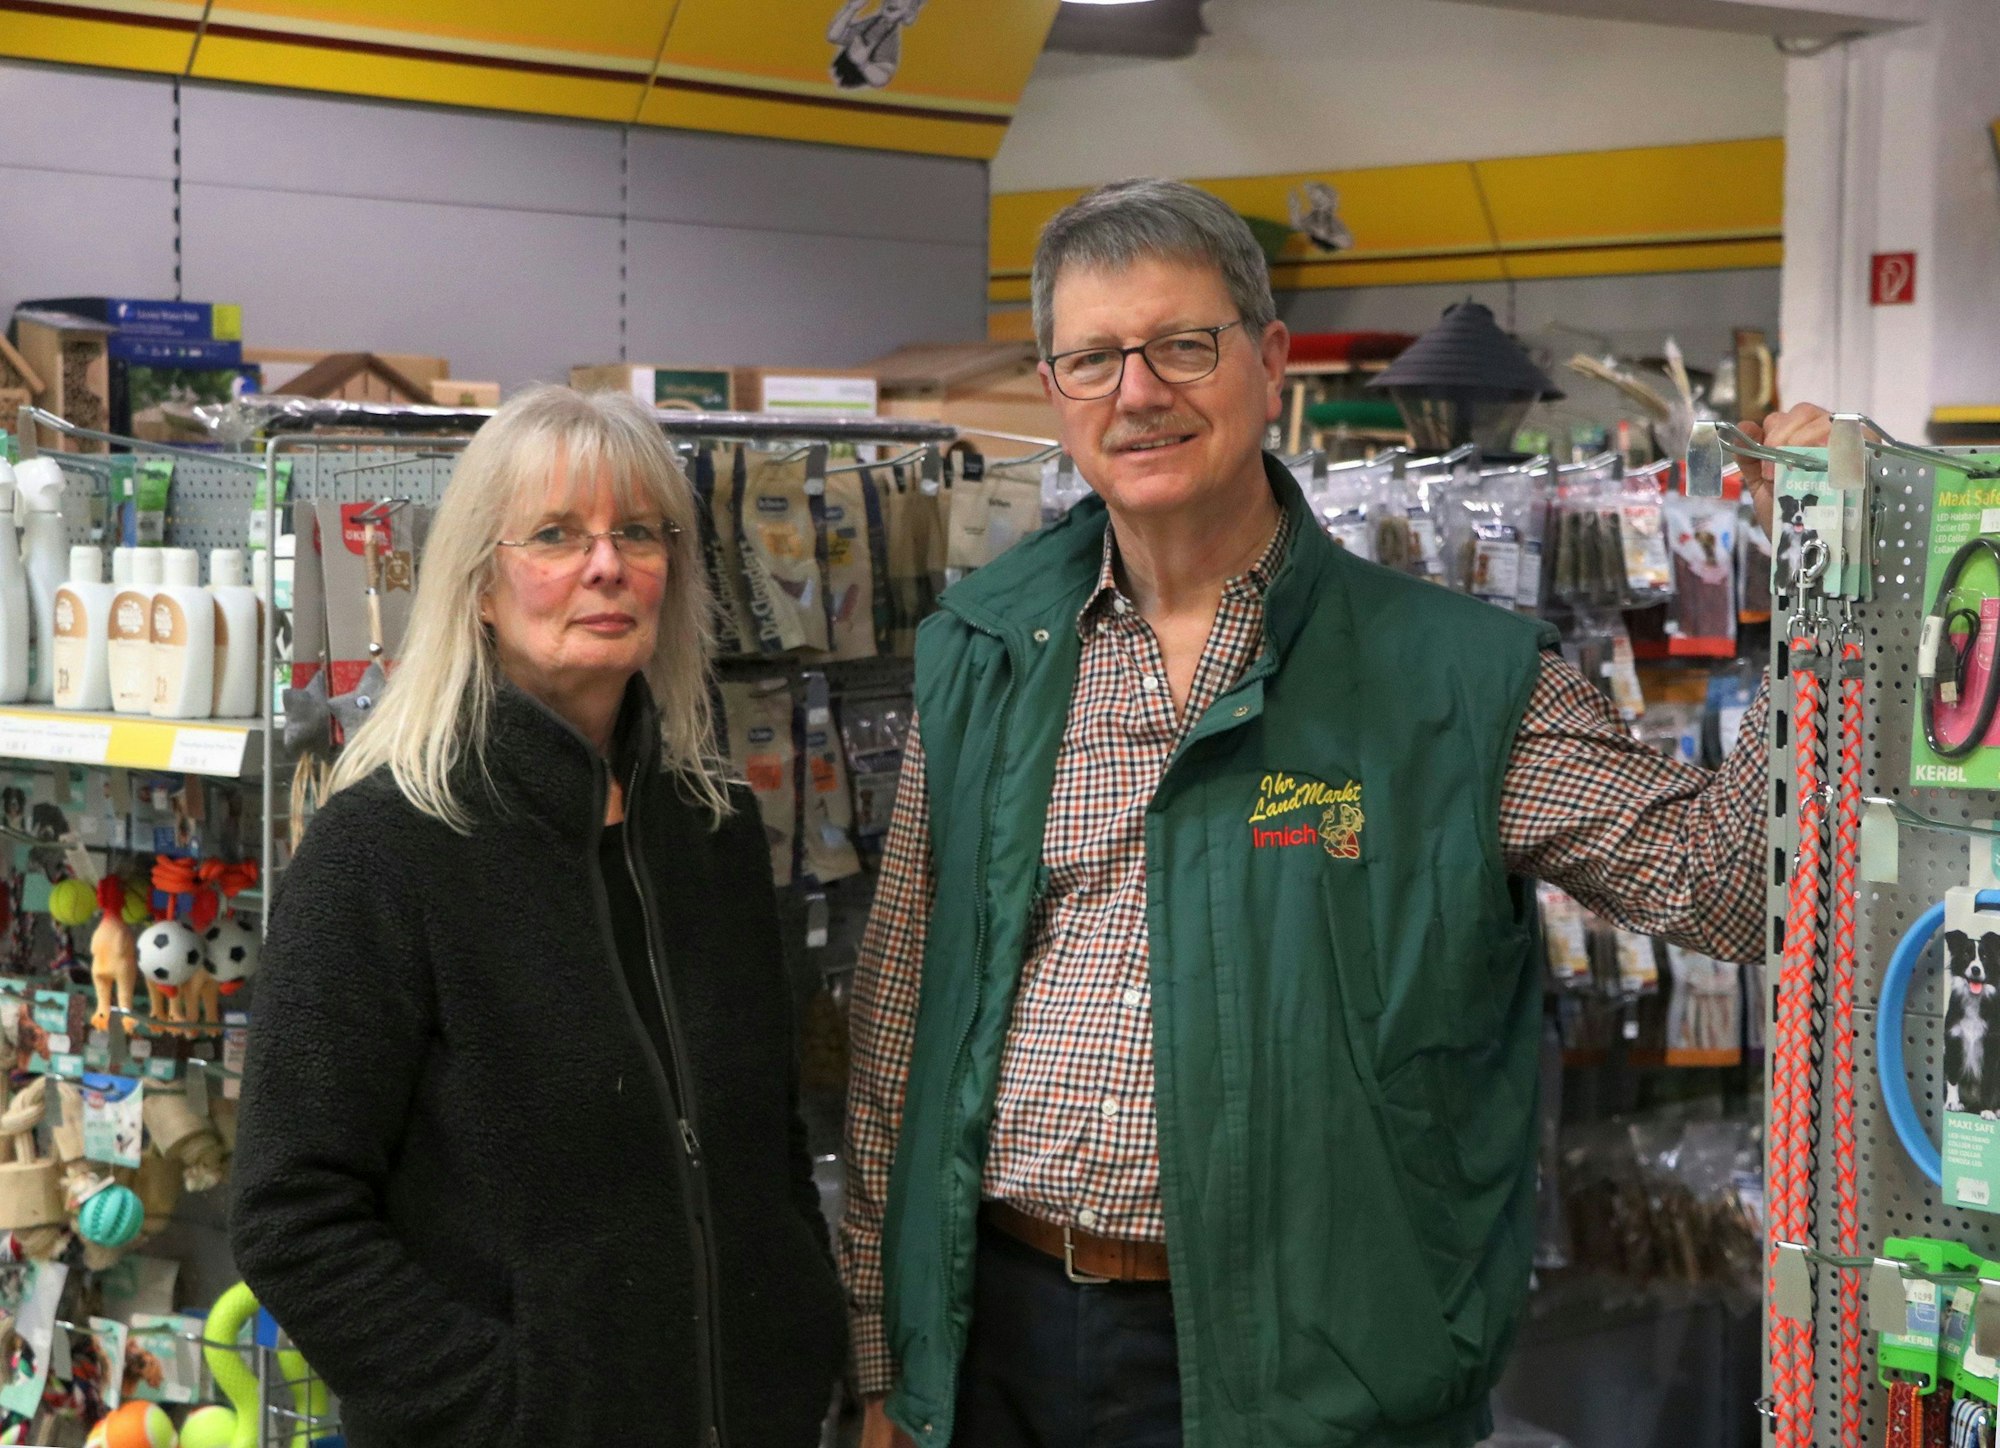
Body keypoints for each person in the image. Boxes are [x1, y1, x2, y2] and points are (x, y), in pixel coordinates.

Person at [839, 177, 1828, 1448]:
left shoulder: (1454, 682)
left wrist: (1822, 573)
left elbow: (1728, 886)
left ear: (1266, 359)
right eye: (1092, 357)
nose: (1137, 392)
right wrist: (889, 1360)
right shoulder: (981, 649)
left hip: (1302, 1371)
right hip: (998, 1345)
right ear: (1053, 387)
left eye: (1180, 346)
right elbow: (897, 1023)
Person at [231, 386, 845, 1448]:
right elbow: (293, 1212)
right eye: (556, 534)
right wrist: (505, 1408)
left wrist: (801, 1335)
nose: (606, 565)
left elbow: (765, 1138)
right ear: (478, 582)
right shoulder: (385, 846)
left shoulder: (715, 832)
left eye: (637, 533)